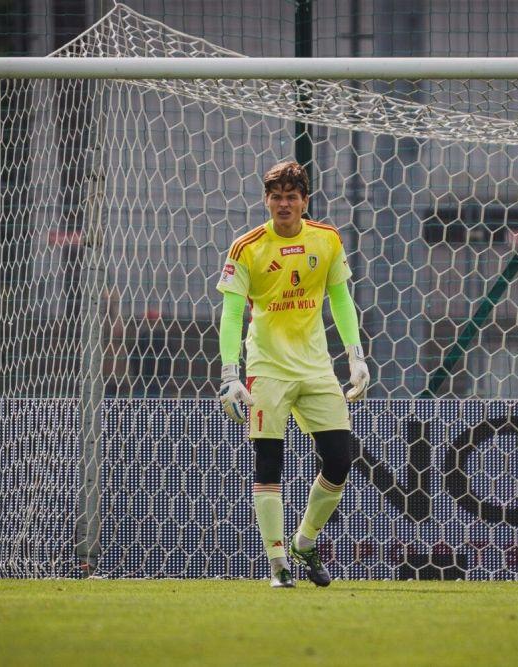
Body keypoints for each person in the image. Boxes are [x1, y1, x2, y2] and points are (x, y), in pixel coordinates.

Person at [215, 161, 370, 588]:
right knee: (269, 463)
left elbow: (340, 299)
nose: (283, 204)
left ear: (305, 200)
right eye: (276, 196)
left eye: (291, 196)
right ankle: (278, 564)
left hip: (317, 367)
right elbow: (231, 315)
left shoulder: (327, 240)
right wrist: (231, 373)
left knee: (340, 458)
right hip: (266, 370)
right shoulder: (246, 247)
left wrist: (355, 357)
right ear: (266, 200)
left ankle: (305, 541)